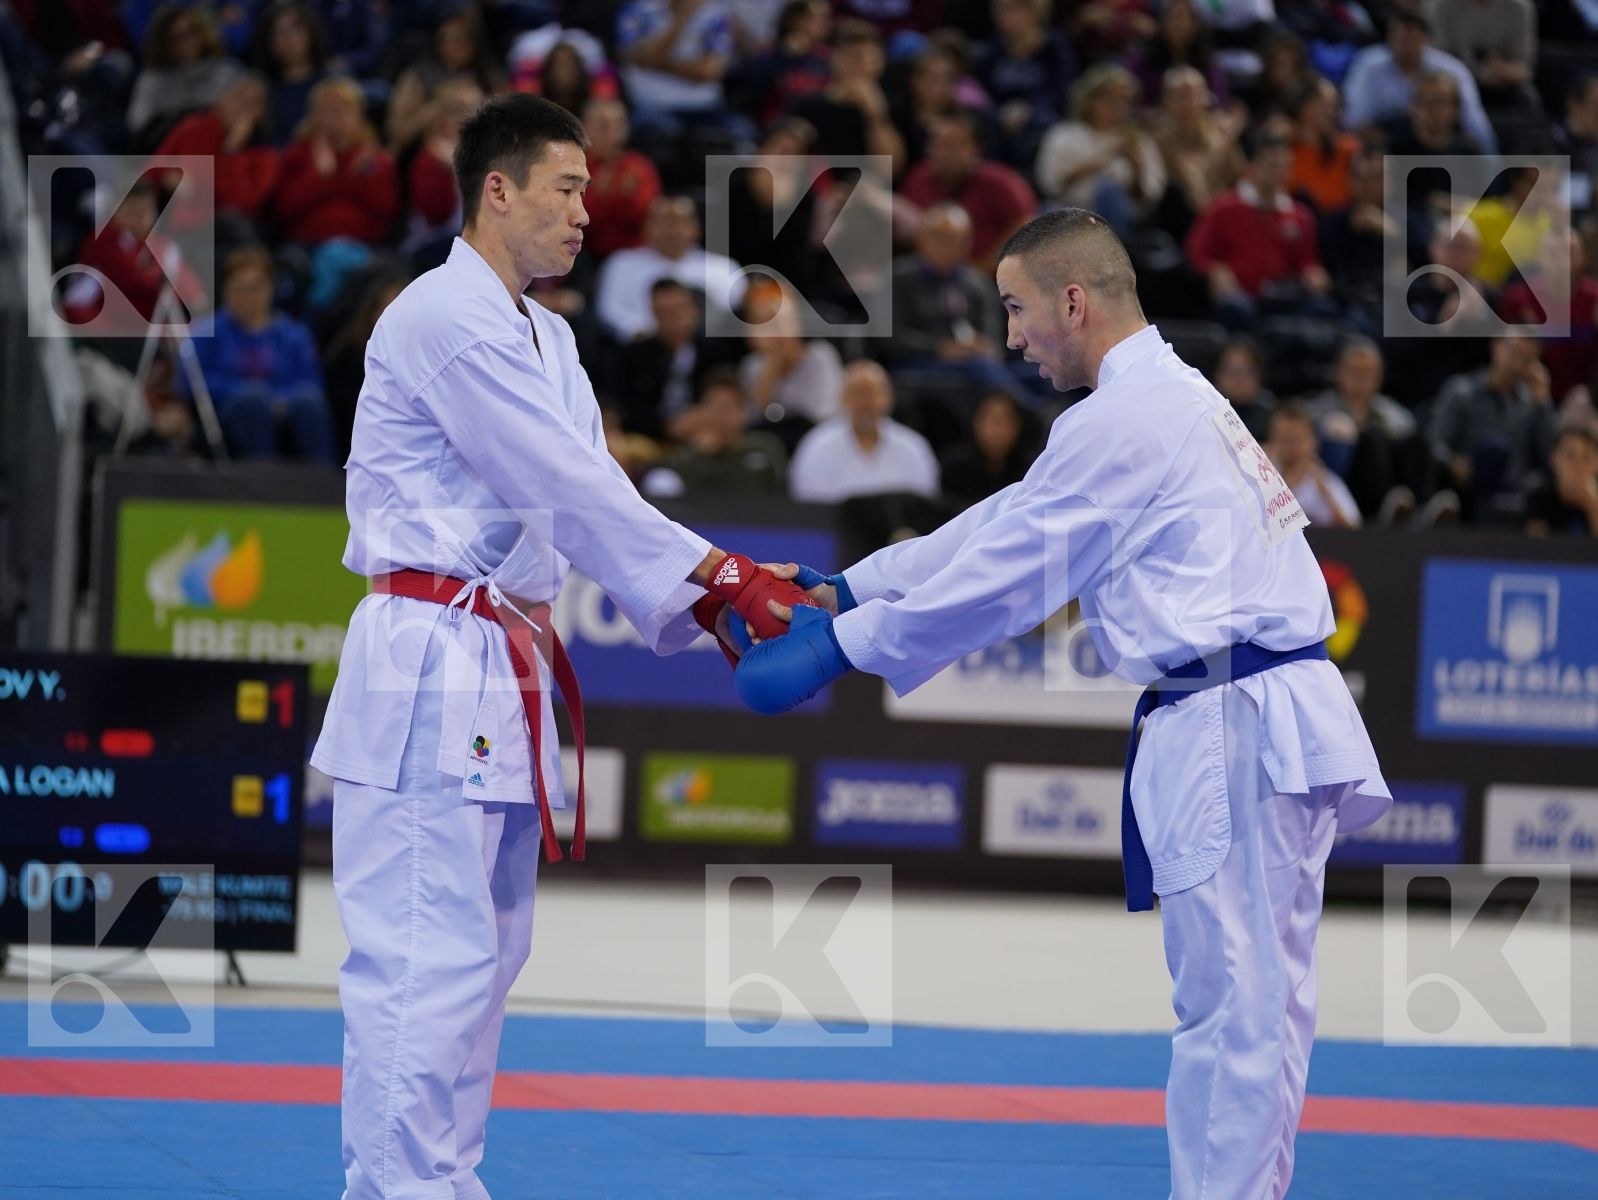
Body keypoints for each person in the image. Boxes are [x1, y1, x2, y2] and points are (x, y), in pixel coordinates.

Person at [733, 208, 1391, 1200]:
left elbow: (1014, 574)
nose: (1009, 337)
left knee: (1233, 1007)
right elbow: (1008, 520)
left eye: (1015, 308)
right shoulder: (1163, 397)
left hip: (1232, 718)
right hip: (1255, 711)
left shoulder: (1126, 417)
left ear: (1072, 301)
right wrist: (855, 589)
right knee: (1260, 1002)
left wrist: (841, 647)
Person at [311, 92, 812, 1200]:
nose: (589, 212)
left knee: (486, 959)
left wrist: (703, 606)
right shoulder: (440, 314)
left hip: (503, 664)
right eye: (569, 188)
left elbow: (592, 497)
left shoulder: (551, 334)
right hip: (429, 655)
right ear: (497, 190)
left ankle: (446, 1180)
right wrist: (720, 573)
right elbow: (558, 480)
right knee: (422, 958)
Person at [189, 246, 335, 462]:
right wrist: (245, 390)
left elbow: (311, 383)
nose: (248, 297)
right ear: (225, 290)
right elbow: (194, 384)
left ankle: (322, 477)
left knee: (309, 403)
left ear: (270, 288)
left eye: (255, 288)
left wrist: (277, 399)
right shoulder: (206, 333)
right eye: (239, 288)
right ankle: (261, 477)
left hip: (286, 409)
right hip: (230, 414)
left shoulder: (295, 335)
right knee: (252, 400)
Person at [787, 361, 940, 502]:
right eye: (858, 393)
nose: (866, 403)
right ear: (843, 398)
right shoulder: (816, 447)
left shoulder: (914, 449)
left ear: (889, 399)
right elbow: (809, 507)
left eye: (873, 393)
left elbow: (924, 506)